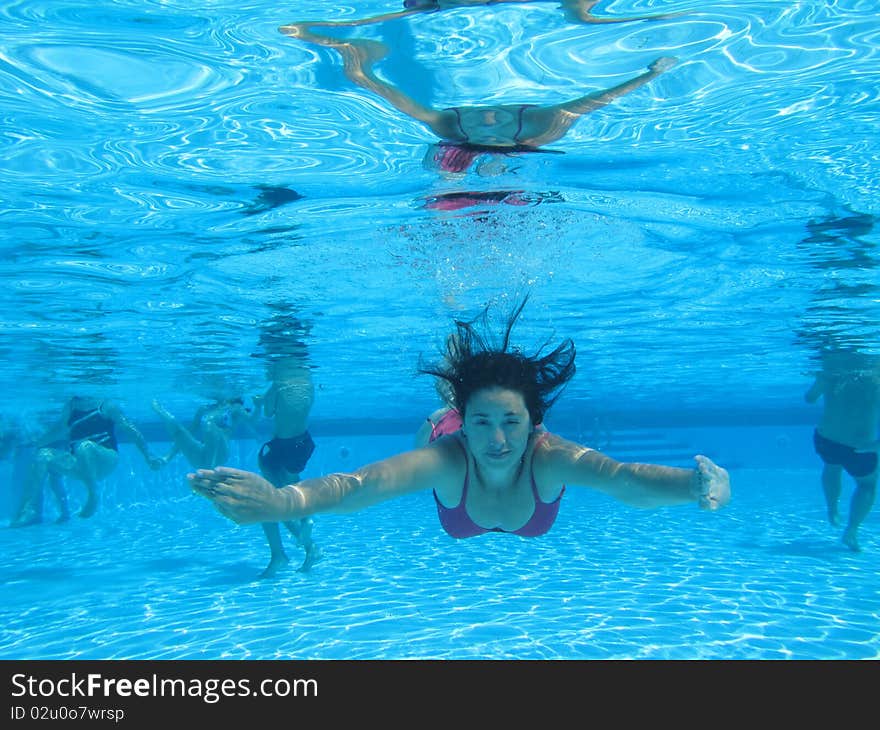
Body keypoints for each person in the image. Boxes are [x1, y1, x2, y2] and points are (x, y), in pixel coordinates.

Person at [190, 298, 730, 547]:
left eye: (512, 423)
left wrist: (693, 486)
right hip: (448, 436)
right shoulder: (450, 456)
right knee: (436, 423)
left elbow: (622, 480)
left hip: (471, 450)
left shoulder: (550, 456)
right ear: (470, 425)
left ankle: (455, 395)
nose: (497, 440)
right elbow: (363, 486)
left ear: (535, 423)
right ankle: (447, 404)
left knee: (456, 409)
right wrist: (283, 502)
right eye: (483, 423)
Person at [279, 21, 678, 174]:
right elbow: (596, 99)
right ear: (519, 140)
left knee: (364, 72)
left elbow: (392, 97)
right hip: (524, 59)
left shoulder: (449, 123)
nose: (487, 120)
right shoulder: (541, 125)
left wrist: (357, 68)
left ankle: (370, 46)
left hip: (445, 70)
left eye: (478, 129)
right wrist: (649, 74)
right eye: (496, 130)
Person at [10, 396, 163, 526]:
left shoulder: (106, 405)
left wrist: (148, 455)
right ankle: (31, 509)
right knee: (43, 456)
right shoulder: (70, 405)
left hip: (105, 460)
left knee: (84, 446)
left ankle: (93, 493)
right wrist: (36, 443)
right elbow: (61, 430)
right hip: (81, 463)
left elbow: (129, 429)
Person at [251, 310, 321, 577]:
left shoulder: (279, 382)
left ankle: (286, 550)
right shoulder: (306, 379)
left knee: (268, 500)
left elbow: (268, 411)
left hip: (281, 446)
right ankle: (306, 533)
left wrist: (260, 401)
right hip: (302, 443)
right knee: (291, 494)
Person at [805, 348, 879, 552]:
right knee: (867, 486)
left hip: (826, 439)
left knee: (831, 466)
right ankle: (852, 530)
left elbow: (810, 398)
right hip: (861, 446)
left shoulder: (832, 368)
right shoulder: (876, 373)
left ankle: (833, 509)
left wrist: (821, 382)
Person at [152, 397, 257, 470]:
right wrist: (167, 457)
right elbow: (191, 430)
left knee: (210, 425)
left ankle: (209, 475)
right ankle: (165, 459)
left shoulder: (235, 408)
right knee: (179, 432)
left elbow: (253, 420)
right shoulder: (206, 408)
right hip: (201, 458)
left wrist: (259, 405)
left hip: (219, 455)